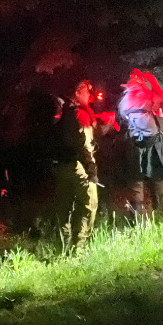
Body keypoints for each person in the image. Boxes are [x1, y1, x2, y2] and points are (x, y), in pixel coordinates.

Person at [53, 80, 101, 251]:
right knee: (89, 203)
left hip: (59, 165)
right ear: (77, 93)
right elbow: (85, 144)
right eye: (87, 91)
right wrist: (91, 169)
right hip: (77, 164)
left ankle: (62, 249)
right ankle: (80, 249)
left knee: (64, 208)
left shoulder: (63, 112)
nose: (90, 95)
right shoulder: (79, 114)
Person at [118, 69, 163, 214]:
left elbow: (122, 117)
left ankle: (136, 221)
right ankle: (161, 217)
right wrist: (153, 82)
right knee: (157, 180)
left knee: (137, 182)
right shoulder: (151, 97)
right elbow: (162, 100)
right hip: (154, 142)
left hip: (135, 142)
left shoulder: (125, 100)